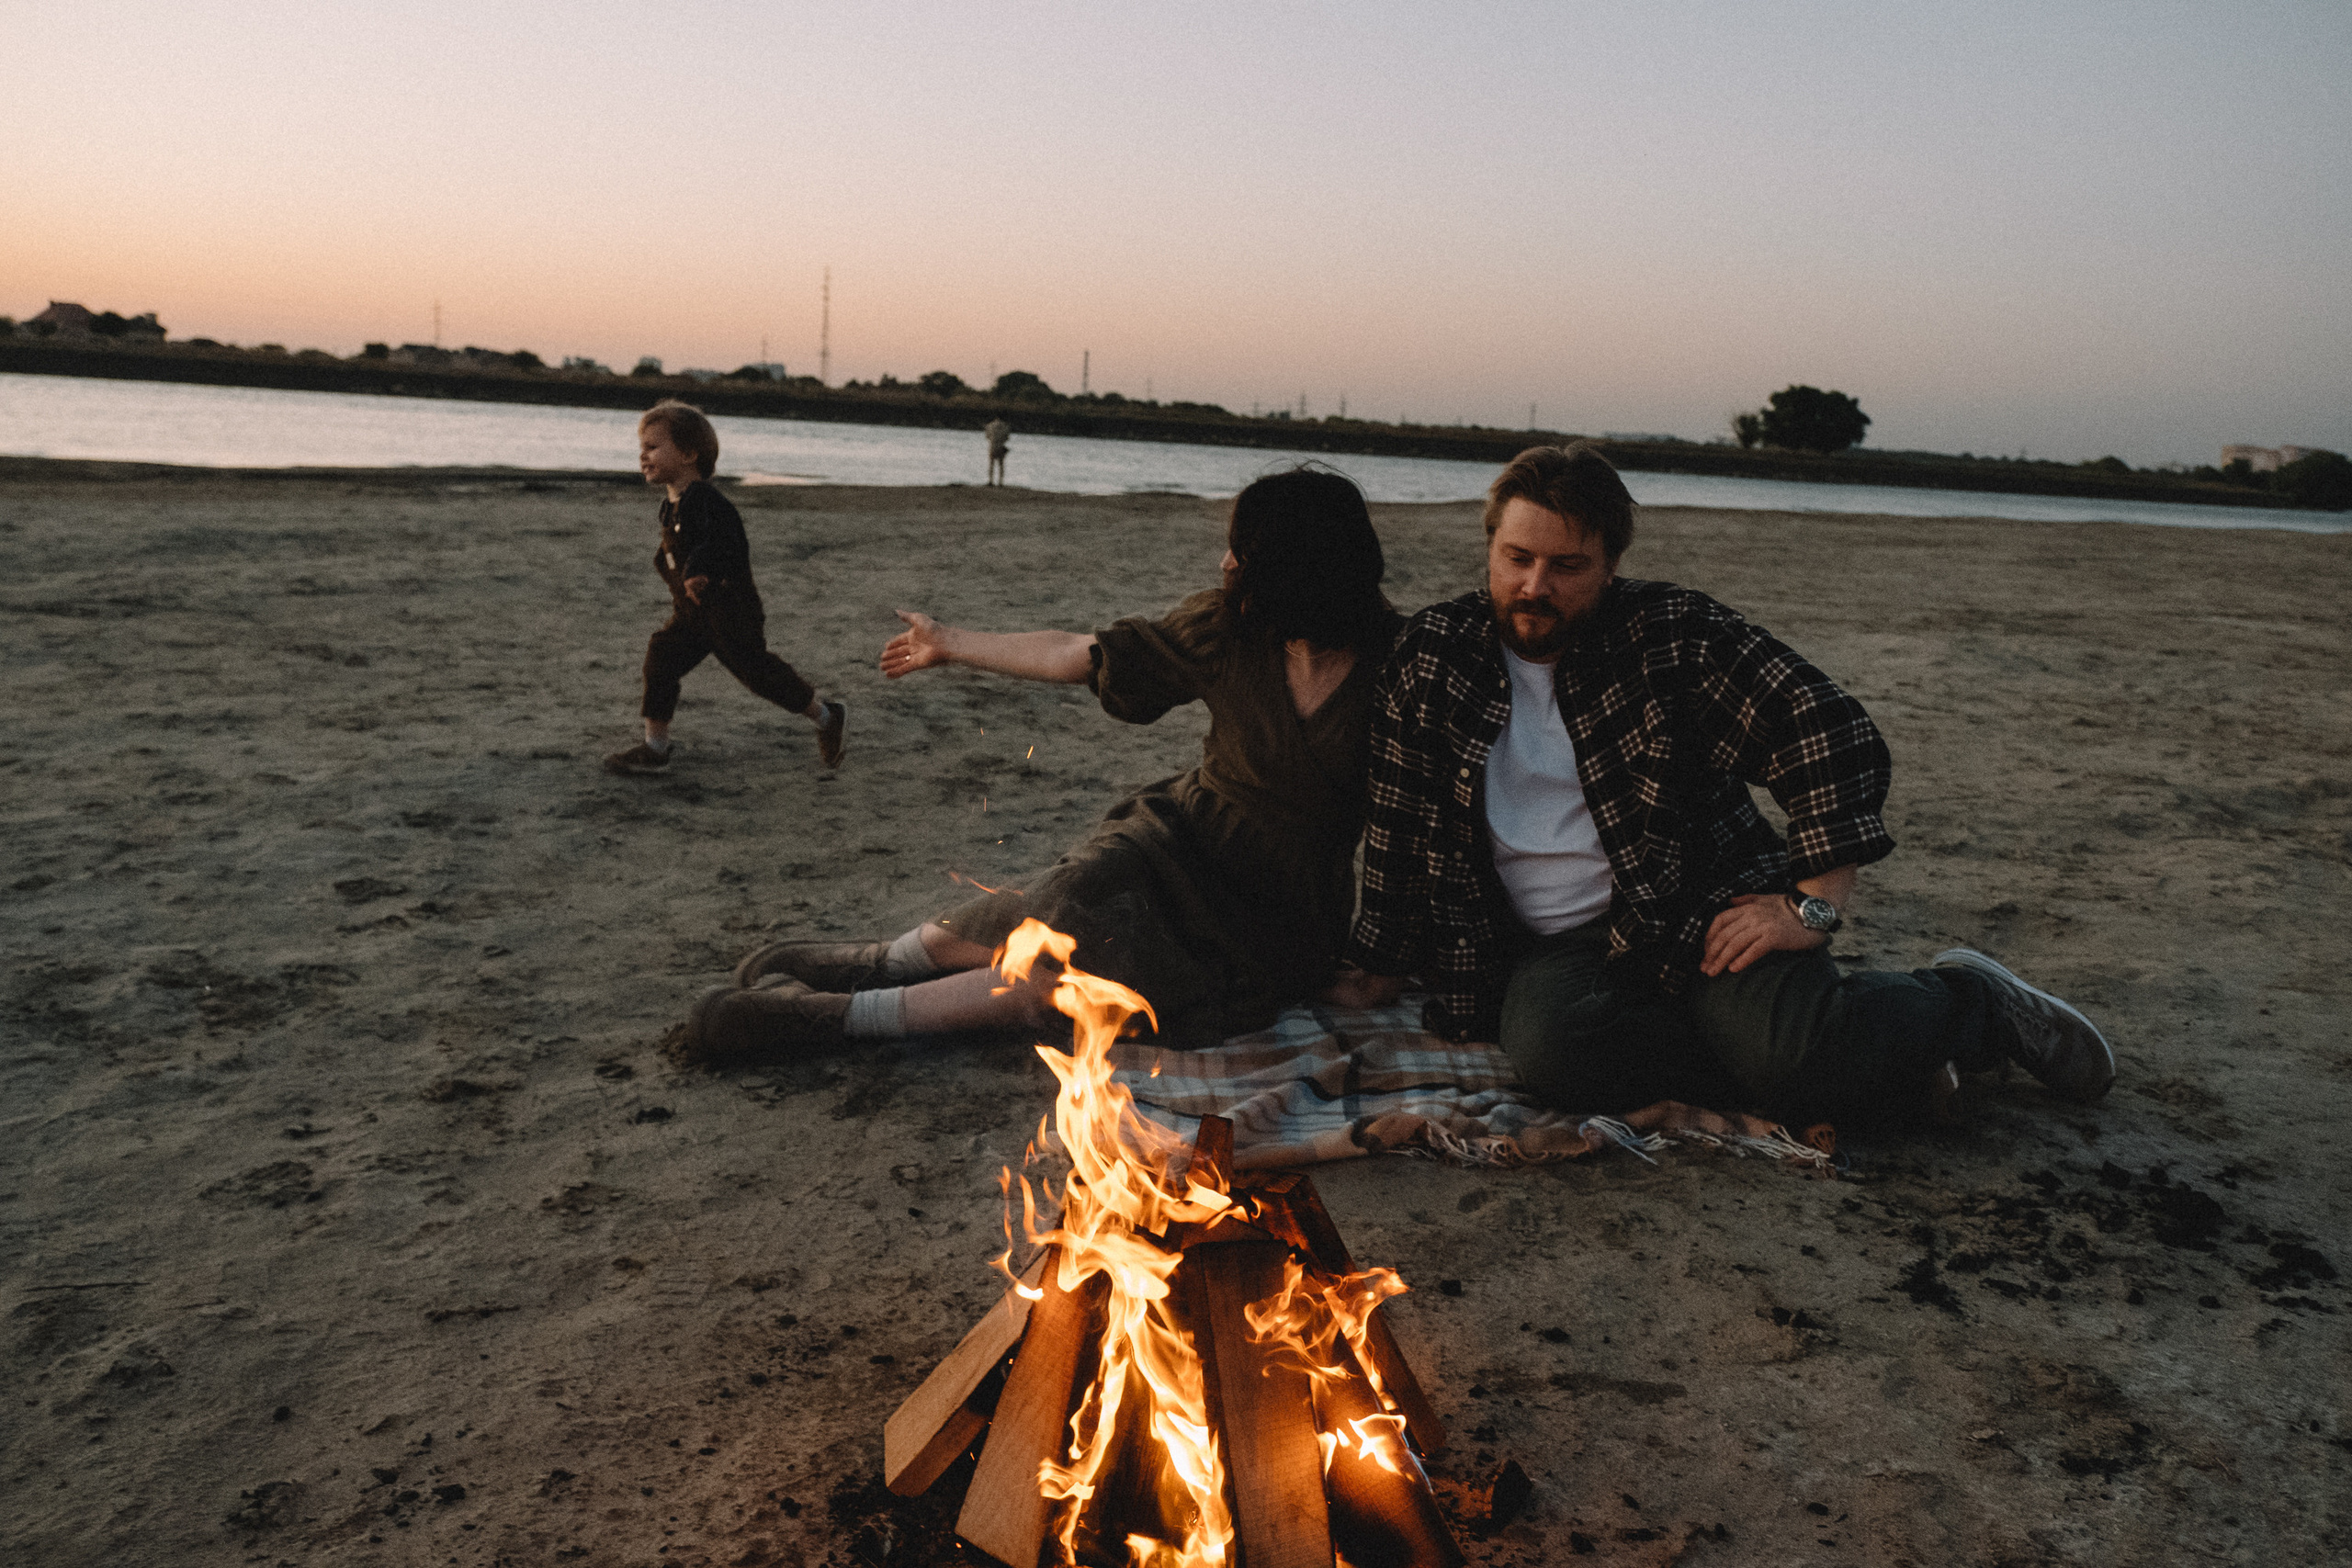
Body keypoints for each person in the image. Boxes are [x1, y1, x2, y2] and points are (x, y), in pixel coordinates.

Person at [1336, 443, 2114, 1131]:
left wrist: (1811, 906)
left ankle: (1973, 1002)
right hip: (1562, 950)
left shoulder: (1672, 634)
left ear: (1609, 566)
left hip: (1706, 904)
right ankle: (1870, 1067)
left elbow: (1829, 731)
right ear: (1491, 546)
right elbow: (1398, 822)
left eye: (1566, 566)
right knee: (1552, 1055)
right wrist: (1379, 962)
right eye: (1516, 557)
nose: (1534, 585)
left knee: (1793, 1053)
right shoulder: (1434, 655)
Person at [668, 466, 1401, 1066]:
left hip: (1275, 908)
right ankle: (886, 959)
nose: (1225, 564)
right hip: (1180, 834)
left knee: (1067, 978)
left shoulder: (1400, 670)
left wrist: (1378, 963)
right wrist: (951, 641)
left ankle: (839, 1017)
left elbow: (1424, 832)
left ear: (1294, 571)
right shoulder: (1228, 630)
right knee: (1064, 895)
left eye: (1241, 552)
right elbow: (1080, 653)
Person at [603, 400, 845, 775]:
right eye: (642, 447)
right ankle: (656, 748)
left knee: (759, 674)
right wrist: (673, 575)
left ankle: (827, 716)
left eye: (653, 447)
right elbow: (673, 552)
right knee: (661, 658)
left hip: (730, 610)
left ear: (688, 454)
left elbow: (722, 540)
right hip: (692, 612)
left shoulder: (707, 501)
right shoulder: (672, 506)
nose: (643, 455)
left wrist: (698, 571)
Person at [984, 418, 1012, 486]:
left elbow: (987, 437)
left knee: (991, 464)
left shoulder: (989, 425)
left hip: (992, 447)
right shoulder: (1005, 426)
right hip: (1001, 446)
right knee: (1001, 465)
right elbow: (1007, 438)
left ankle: (991, 481)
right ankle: (1000, 482)